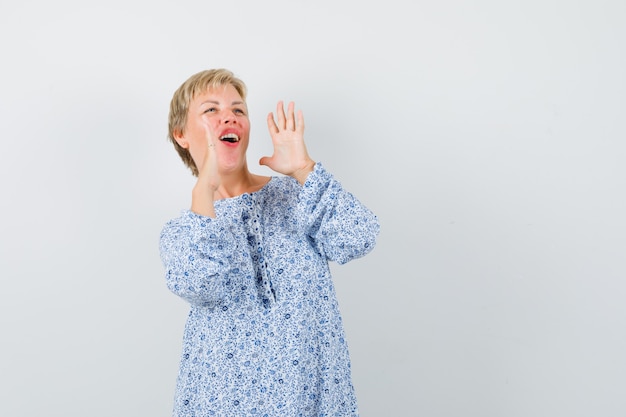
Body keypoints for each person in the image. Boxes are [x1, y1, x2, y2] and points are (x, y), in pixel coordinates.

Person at [159, 68, 380, 416]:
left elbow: (360, 237)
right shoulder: (184, 230)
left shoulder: (296, 197)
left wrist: (304, 168)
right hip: (222, 403)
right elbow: (200, 285)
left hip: (309, 400)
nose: (228, 117)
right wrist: (205, 190)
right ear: (182, 134)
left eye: (238, 110)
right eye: (211, 110)